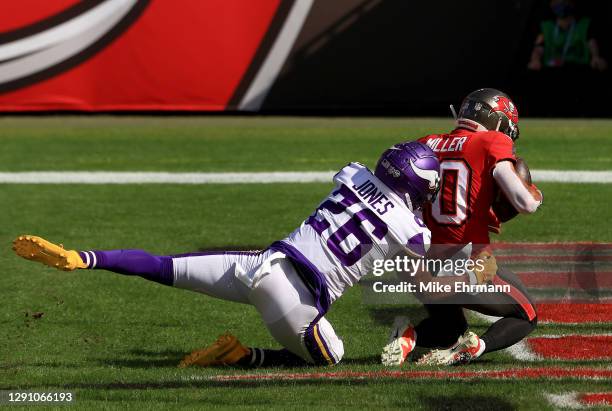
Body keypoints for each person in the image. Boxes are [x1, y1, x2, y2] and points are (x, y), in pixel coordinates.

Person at [13, 142, 496, 368]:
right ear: (416, 183)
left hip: (259, 264)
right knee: (333, 357)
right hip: (296, 298)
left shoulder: (352, 174)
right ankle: (243, 356)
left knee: (164, 266)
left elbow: (365, 183)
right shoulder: (411, 230)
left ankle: (83, 257)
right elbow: (418, 251)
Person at [381, 88, 543, 367]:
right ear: (497, 121)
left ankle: (409, 336)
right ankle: (476, 348)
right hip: (466, 263)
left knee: (448, 331)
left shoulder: (427, 142)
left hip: (416, 263)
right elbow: (524, 203)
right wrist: (536, 195)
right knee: (526, 314)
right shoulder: (491, 141)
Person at [527, 0, 607, 72]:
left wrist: (595, 56)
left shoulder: (584, 24)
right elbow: (539, 48)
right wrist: (535, 59)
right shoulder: (546, 27)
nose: (561, 3)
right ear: (551, 4)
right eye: (557, 2)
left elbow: (591, 43)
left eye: (564, 1)